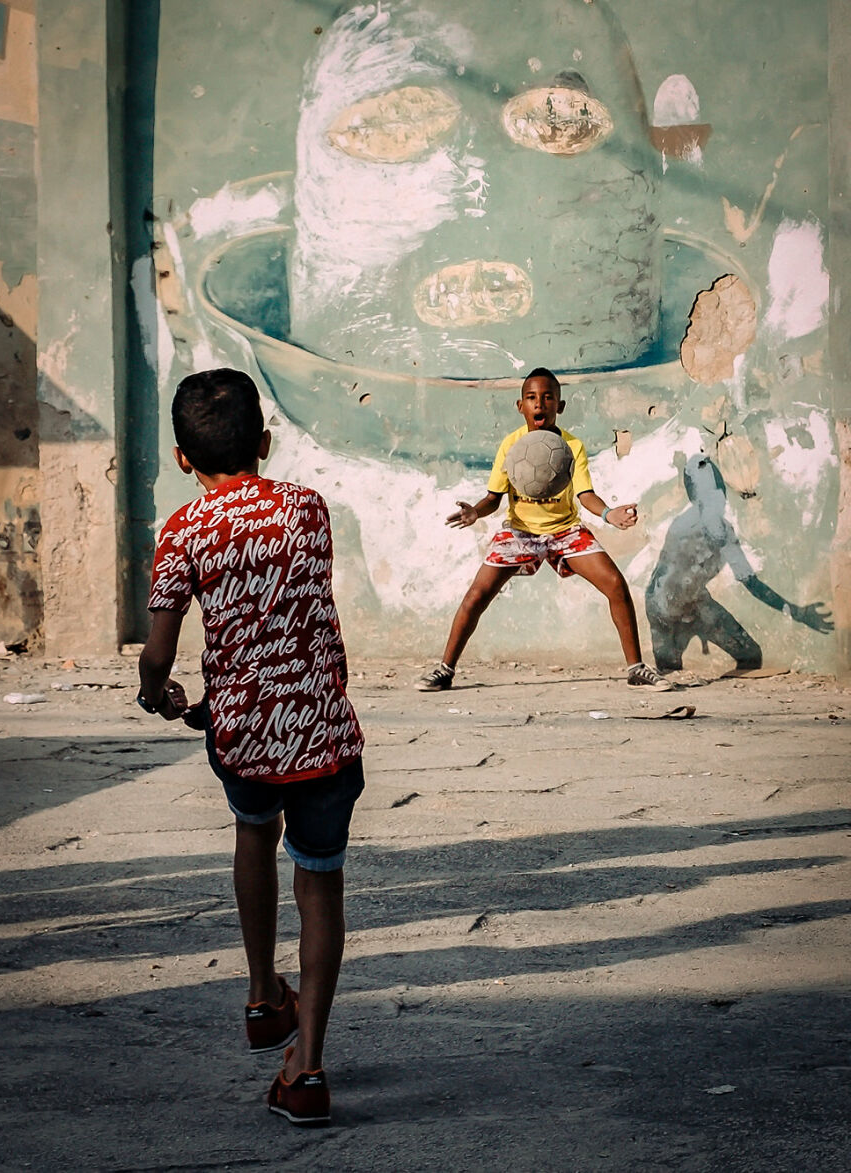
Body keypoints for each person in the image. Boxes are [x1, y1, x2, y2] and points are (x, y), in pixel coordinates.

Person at [137, 368, 364, 1128]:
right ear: (265, 442)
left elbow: (160, 651)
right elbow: (290, 610)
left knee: (252, 831)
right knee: (321, 883)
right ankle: (307, 1069)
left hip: (242, 735)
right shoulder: (308, 507)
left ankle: (264, 996)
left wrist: (157, 693)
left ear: (180, 458)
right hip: (324, 736)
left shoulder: (182, 531)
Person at [417, 368, 673, 691]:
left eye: (548, 397)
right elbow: (493, 499)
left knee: (615, 584)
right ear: (520, 406)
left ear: (559, 407)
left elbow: (585, 495)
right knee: (476, 595)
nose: (540, 403)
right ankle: (444, 670)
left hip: (565, 531)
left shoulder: (572, 446)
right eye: (532, 397)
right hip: (521, 532)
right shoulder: (510, 445)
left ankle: (636, 668)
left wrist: (609, 514)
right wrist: (475, 513)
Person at [645, 454, 833, 672]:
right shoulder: (681, 528)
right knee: (669, 671)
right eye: (707, 498)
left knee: (751, 655)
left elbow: (751, 582)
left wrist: (796, 611)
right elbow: (666, 585)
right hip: (664, 609)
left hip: (697, 604)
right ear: (695, 499)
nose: (716, 503)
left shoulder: (725, 533)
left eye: (718, 496)